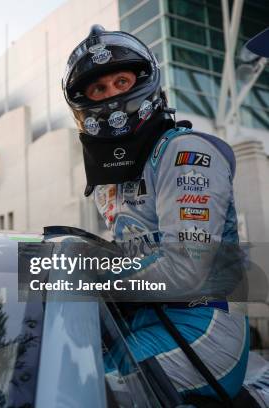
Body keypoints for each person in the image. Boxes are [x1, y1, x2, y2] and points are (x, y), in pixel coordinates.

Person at [62, 25, 249, 402]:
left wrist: (89, 275)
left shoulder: (185, 153)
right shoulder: (112, 180)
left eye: (121, 81)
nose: (112, 95)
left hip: (201, 330)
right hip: (146, 323)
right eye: (99, 89)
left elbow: (185, 272)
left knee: (72, 391)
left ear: (145, 82)